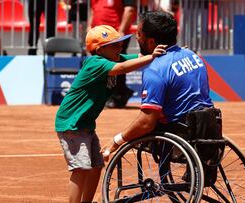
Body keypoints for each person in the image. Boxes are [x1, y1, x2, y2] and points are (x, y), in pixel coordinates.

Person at [55, 25, 166, 203]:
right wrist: (151, 56)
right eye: (114, 45)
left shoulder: (112, 57)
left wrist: (164, 52)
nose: (120, 48)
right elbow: (122, 67)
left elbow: (137, 57)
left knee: (96, 166)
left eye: (120, 44)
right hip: (71, 123)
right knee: (81, 168)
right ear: (99, 49)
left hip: (86, 124)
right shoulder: (95, 63)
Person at [100, 11, 215, 161]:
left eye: (139, 33)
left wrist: (116, 141)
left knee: (141, 128)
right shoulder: (192, 55)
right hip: (208, 126)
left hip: (179, 134)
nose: (136, 37)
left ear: (151, 42)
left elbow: (146, 123)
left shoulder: (155, 70)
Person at [89, 0, 138, 108]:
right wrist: (89, 27)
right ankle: (117, 93)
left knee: (116, 63)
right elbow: (93, 10)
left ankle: (118, 94)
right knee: (103, 65)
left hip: (114, 35)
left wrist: (121, 31)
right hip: (98, 37)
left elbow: (129, 10)